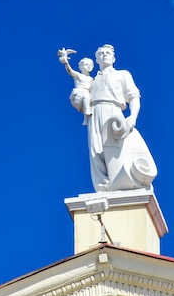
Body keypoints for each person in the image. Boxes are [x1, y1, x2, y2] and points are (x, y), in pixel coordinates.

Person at [88, 44, 156, 191]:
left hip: (114, 111)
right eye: (101, 54)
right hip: (94, 113)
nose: (105, 55)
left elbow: (134, 96)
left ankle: (120, 180)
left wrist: (132, 117)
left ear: (114, 58)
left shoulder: (122, 74)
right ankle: (103, 187)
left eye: (108, 53)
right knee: (96, 150)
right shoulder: (91, 81)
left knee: (115, 148)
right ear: (97, 59)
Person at [59, 50, 94, 125]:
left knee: (89, 97)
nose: (89, 66)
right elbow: (70, 71)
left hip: (88, 94)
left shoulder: (91, 79)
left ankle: (86, 118)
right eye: (86, 64)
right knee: (86, 96)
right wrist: (66, 63)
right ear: (81, 67)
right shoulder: (78, 75)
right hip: (79, 93)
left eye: (90, 65)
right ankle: (87, 113)